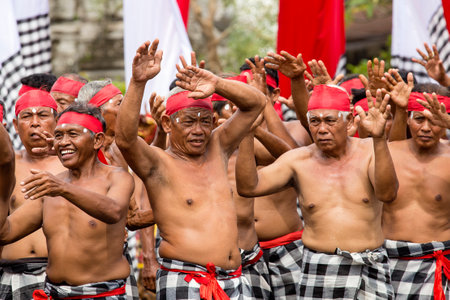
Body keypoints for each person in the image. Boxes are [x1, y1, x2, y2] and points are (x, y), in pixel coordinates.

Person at [115, 39, 265, 299]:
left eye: (205, 121)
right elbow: (126, 139)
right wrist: (138, 82)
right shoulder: (158, 163)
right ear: (167, 122)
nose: (198, 130)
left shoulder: (218, 145)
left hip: (235, 278)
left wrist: (217, 83)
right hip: (185, 279)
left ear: (214, 121)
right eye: (188, 122)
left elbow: (256, 104)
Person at [236, 84, 398, 299]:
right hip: (319, 266)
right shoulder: (298, 160)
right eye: (315, 121)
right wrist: (247, 135)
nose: (322, 129)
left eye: (330, 120)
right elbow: (249, 187)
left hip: (369, 265)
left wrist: (379, 140)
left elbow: (388, 194)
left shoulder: (370, 149)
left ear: (349, 121)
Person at [0, 103, 134, 299]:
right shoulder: (52, 186)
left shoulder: (116, 177)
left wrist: (63, 188)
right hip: (54, 292)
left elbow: (113, 211)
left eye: (73, 134)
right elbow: (6, 232)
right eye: (59, 136)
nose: (63, 142)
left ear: (97, 140)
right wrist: (4, 182)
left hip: (104, 293)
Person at [382, 91, 450, 299]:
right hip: (386, 263)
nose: (426, 128)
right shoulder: (386, 152)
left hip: (434, 265)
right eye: (419, 119)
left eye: (436, 121)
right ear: (409, 119)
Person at [0, 90, 66, 300]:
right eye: (27, 116)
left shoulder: (74, 165)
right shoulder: (7, 166)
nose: (35, 123)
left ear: (57, 120)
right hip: (11, 273)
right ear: (15, 124)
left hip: (60, 276)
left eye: (43, 115)